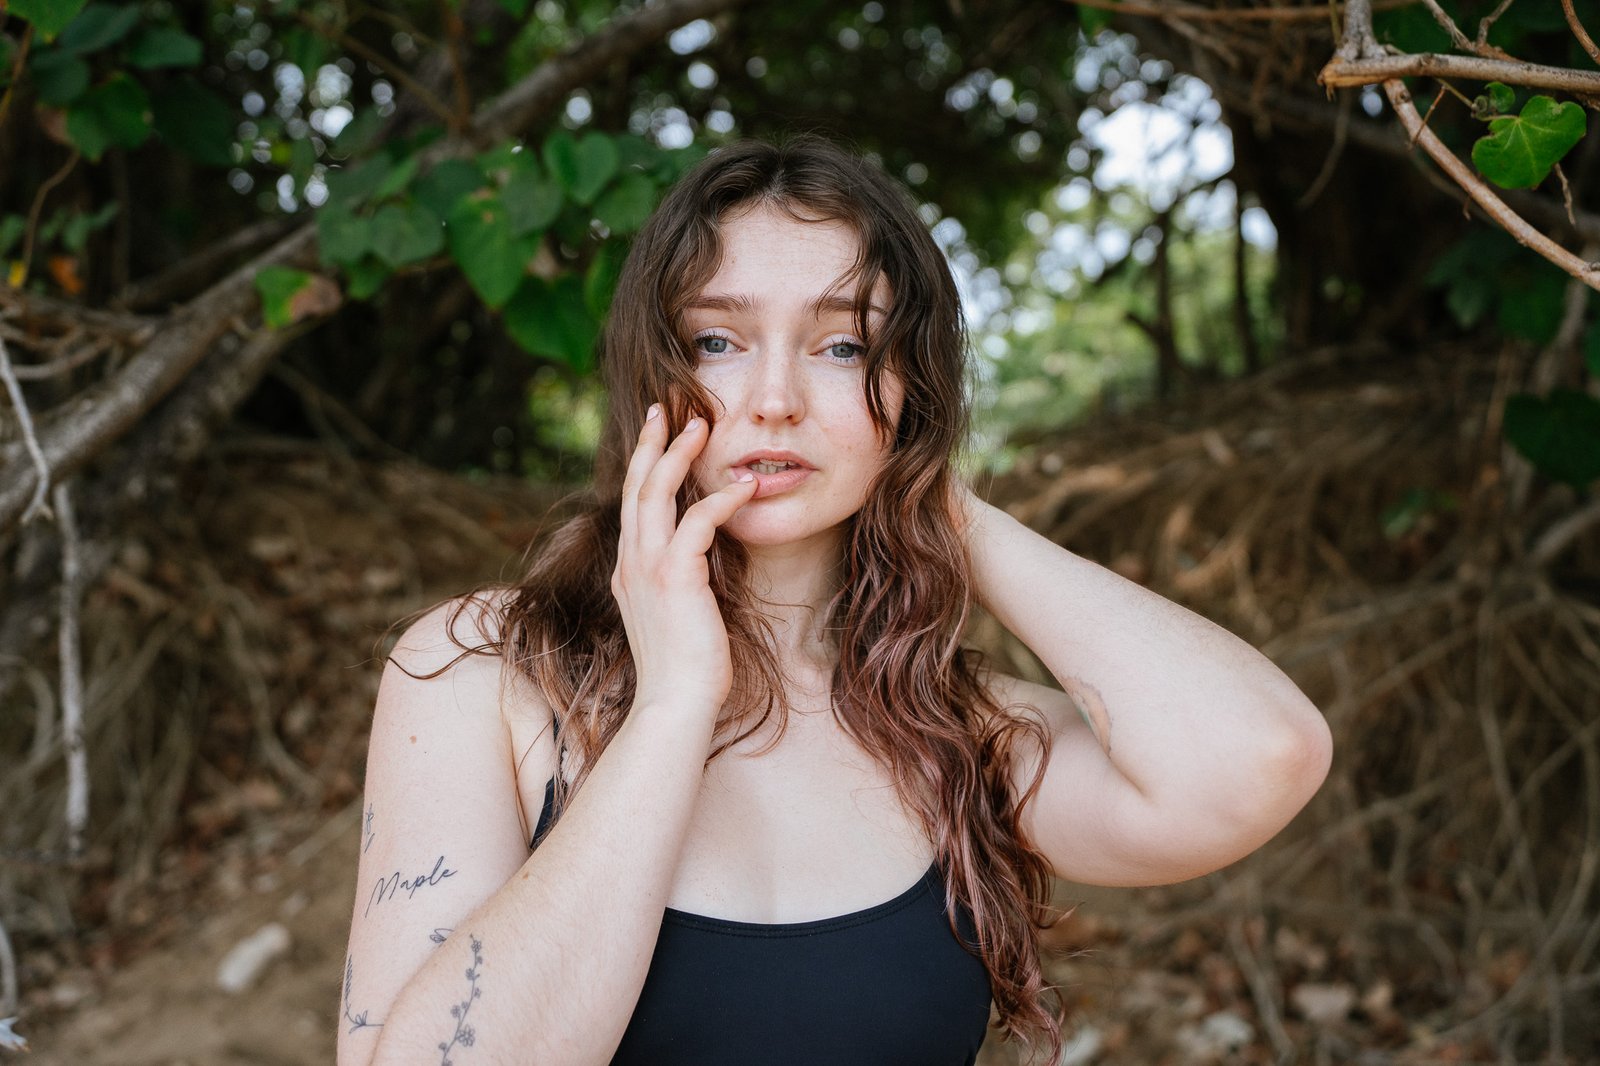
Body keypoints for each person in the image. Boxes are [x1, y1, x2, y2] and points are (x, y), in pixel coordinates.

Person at [338, 135, 1331, 1066]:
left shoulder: (954, 731)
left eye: (843, 348)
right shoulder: (482, 670)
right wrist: (676, 700)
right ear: (651, 372)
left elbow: (1256, 759)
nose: (775, 397)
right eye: (717, 340)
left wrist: (933, 488)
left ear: (910, 395)